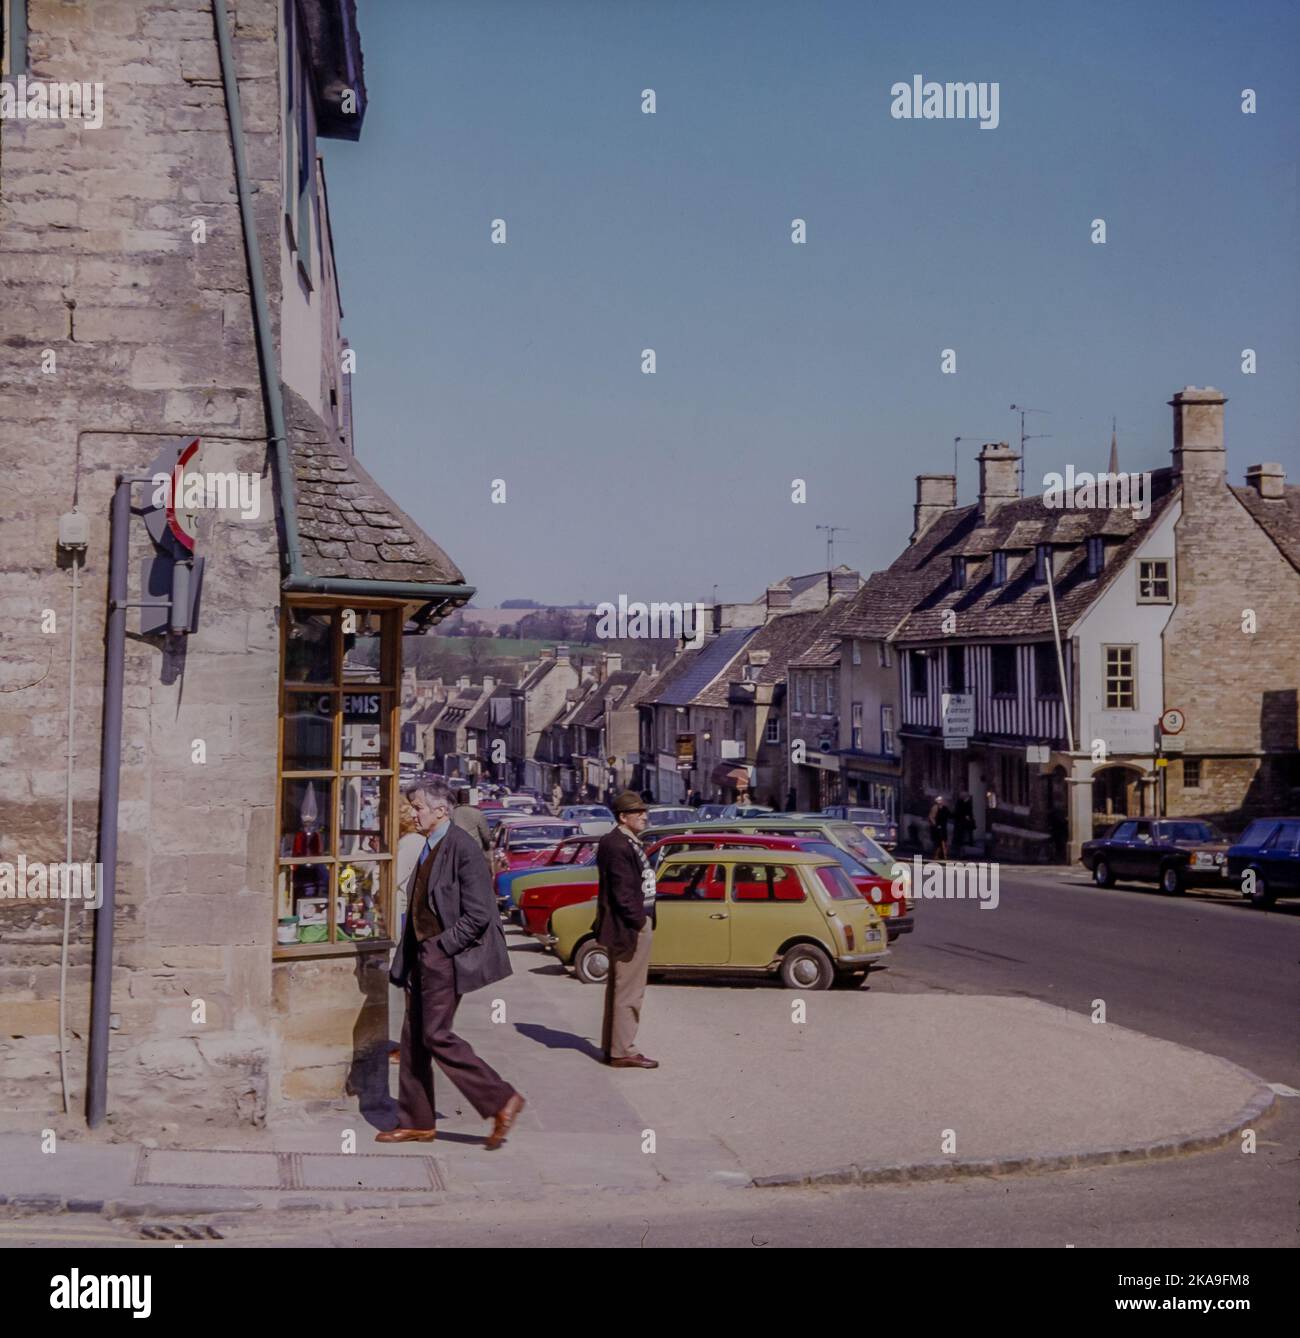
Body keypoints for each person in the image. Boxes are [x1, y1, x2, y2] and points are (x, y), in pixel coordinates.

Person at [381, 779, 524, 1148]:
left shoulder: (463, 848)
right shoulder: (430, 844)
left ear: (441, 811)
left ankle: (501, 1098)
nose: (412, 814)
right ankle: (417, 1122)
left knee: (436, 1035)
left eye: (418, 808)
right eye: (412, 807)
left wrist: (442, 947)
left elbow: (480, 914)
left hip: (442, 958)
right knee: (413, 1040)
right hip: (420, 956)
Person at [594, 791, 658, 1069]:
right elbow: (622, 892)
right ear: (623, 817)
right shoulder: (618, 845)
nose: (644, 816)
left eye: (644, 811)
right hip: (628, 928)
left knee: (622, 988)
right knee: (629, 991)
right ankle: (623, 1050)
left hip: (632, 923)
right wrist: (640, 921)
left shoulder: (625, 841)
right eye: (638, 812)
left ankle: (614, 1046)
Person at [389, 798, 426, 1064]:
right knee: (410, 988)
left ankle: (412, 1048)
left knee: (412, 987)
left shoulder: (411, 843)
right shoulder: (409, 841)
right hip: (405, 916)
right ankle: (411, 1046)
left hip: (406, 919)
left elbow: (391, 878)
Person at [451, 788, 492, 865]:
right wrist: (487, 848)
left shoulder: (452, 814)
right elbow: (485, 835)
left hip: (456, 851)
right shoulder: (477, 813)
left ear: (458, 799)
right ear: (469, 799)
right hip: (474, 851)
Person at [928, 795, 951, 861]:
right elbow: (931, 817)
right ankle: (938, 856)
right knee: (939, 842)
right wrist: (936, 825)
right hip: (937, 828)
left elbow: (949, 814)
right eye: (940, 800)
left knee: (943, 841)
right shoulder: (935, 808)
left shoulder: (944, 808)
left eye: (942, 800)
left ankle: (943, 855)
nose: (942, 802)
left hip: (943, 827)